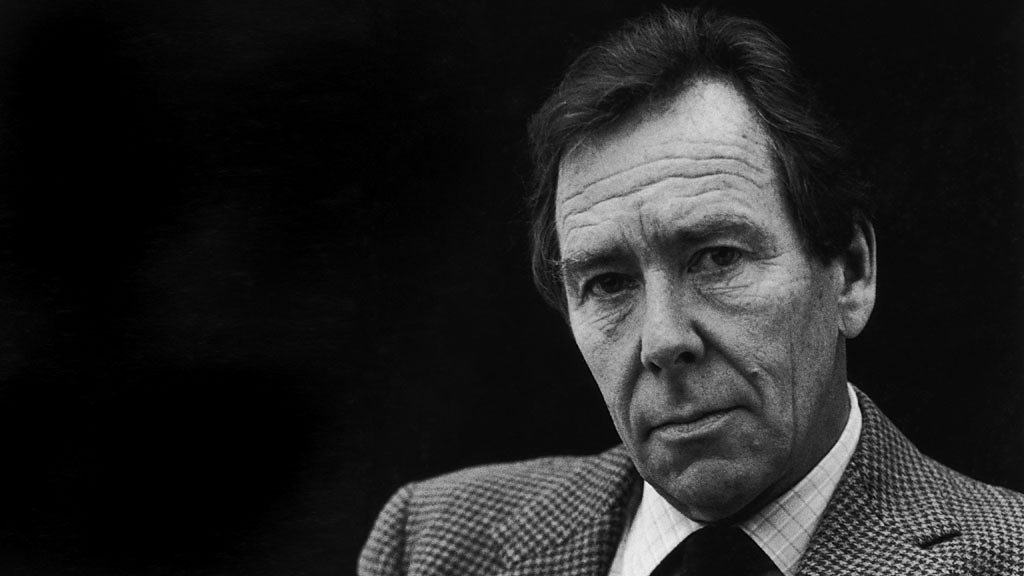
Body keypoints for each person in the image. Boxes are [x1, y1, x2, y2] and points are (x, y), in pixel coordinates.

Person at [359, 7, 1024, 575]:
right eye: (609, 283)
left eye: (717, 258)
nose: (663, 340)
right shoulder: (433, 544)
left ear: (849, 273)